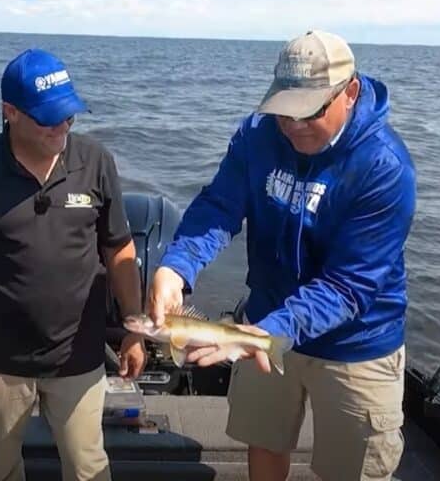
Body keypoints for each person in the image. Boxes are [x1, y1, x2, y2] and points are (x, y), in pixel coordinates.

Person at [147, 30, 416, 481]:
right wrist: (176, 267)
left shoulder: (385, 167)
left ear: (348, 94)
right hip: (264, 317)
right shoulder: (257, 135)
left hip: (355, 342)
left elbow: (348, 286)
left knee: (354, 470)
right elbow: (219, 205)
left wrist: (260, 335)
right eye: (282, 112)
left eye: (307, 112)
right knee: (265, 440)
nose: (291, 126)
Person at [0, 48, 146, 481]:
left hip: (79, 354)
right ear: (9, 112)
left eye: (69, 114)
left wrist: (134, 329)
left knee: (88, 465)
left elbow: (119, 251)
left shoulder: (97, 162)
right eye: (49, 118)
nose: (63, 126)